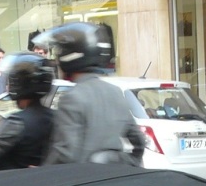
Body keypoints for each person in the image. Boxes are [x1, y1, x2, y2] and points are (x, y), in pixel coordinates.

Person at [36, 23, 145, 166]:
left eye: (60, 52)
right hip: (115, 179)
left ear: (69, 56)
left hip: (84, 180)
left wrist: (41, 175)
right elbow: (139, 141)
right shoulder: (115, 92)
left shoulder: (72, 97)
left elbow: (65, 154)